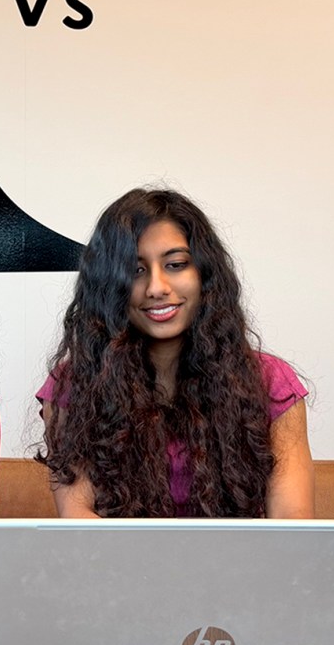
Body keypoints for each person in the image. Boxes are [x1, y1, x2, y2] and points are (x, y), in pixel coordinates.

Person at [37, 188, 313, 519]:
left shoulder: (270, 381)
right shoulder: (73, 385)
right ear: (110, 285)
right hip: (118, 568)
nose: (157, 287)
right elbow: (78, 522)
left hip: (244, 568)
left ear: (204, 275)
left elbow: (292, 528)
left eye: (176, 264)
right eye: (135, 270)